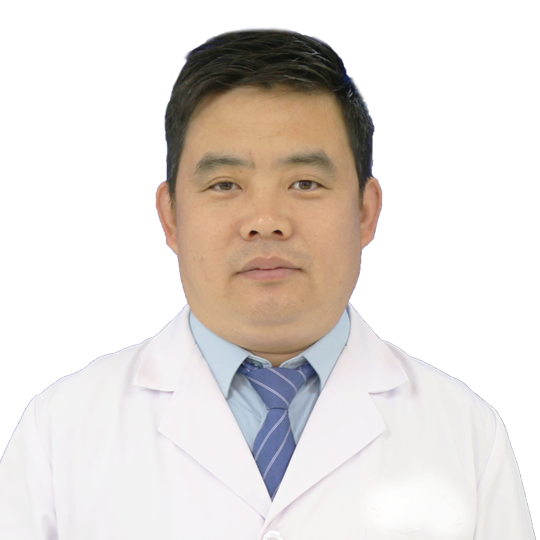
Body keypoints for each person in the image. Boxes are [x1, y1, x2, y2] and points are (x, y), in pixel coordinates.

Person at [0, 25, 534, 540]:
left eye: (305, 182)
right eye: (224, 184)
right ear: (171, 218)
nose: (265, 221)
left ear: (365, 212)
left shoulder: (467, 435)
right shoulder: (60, 432)